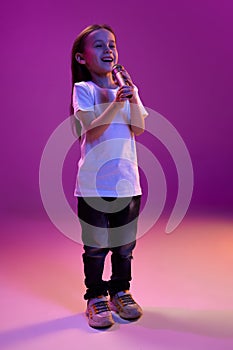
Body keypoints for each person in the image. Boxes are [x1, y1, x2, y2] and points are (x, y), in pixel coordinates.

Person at [70, 24, 148, 328]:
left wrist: (130, 97)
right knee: (96, 245)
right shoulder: (84, 90)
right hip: (93, 185)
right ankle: (95, 296)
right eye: (99, 45)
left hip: (127, 181)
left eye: (112, 44)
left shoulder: (127, 89)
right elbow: (92, 129)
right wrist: (116, 101)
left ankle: (120, 290)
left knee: (124, 244)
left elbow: (139, 128)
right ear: (81, 58)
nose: (108, 50)